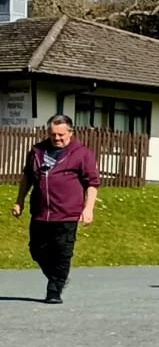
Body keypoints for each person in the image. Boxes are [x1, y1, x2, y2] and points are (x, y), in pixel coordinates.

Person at [11, 113, 100, 304]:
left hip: (67, 214)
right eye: (53, 135)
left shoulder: (82, 153)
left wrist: (88, 208)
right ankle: (57, 276)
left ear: (71, 133)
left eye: (61, 135)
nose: (57, 138)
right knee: (36, 250)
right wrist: (19, 201)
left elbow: (92, 183)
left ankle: (54, 290)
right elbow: (27, 177)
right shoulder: (37, 151)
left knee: (62, 252)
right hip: (41, 212)